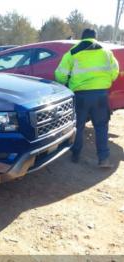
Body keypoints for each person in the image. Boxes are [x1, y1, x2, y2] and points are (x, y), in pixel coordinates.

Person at [55, 28, 119, 168]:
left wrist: (66, 83)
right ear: (95, 37)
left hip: (80, 95)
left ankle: (76, 155)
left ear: (82, 38)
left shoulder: (73, 51)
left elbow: (60, 75)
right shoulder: (106, 52)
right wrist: (104, 80)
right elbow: (115, 71)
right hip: (101, 94)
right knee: (101, 127)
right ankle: (103, 159)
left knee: (78, 126)